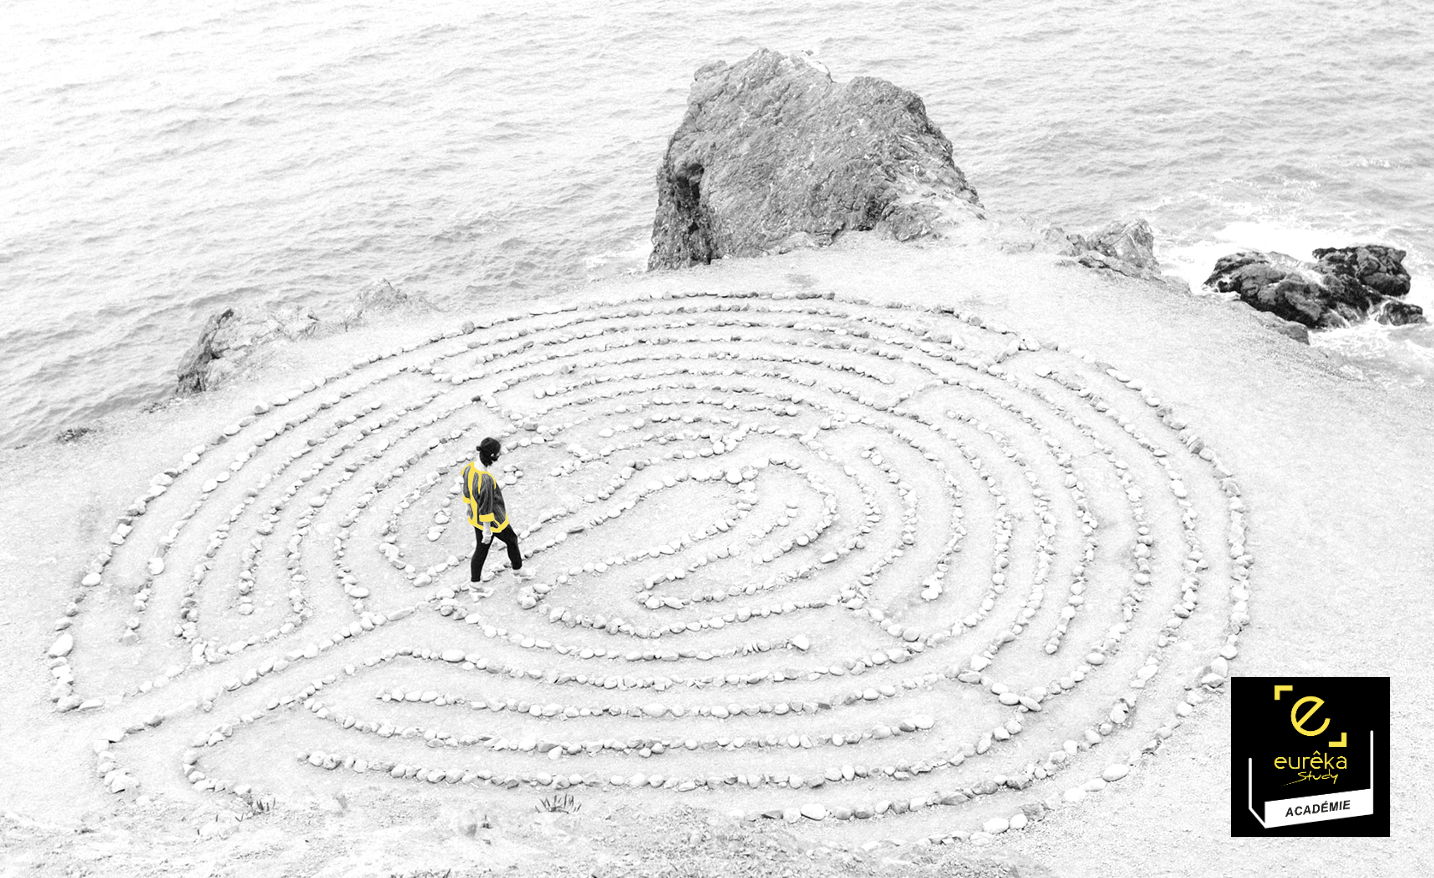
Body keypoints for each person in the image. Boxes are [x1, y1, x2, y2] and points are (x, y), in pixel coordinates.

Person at [461, 437, 523, 585]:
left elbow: (466, 491)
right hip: (494, 521)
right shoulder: (486, 480)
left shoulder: (469, 468)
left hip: (476, 517)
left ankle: (475, 583)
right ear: (493, 457)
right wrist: (487, 531)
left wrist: (468, 507)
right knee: (512, 540)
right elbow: (487, 507)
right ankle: (518, 571)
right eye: (498, 453)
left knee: (481, 550)